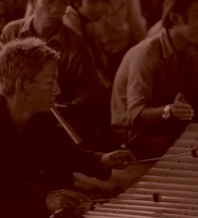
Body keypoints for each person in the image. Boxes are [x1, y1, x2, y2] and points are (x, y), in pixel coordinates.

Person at [0, 37, 135, 218]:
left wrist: (101, 160)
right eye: (50, 82)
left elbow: (63, 153)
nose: (58, 90)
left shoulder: (39, 118)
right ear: (22, 86)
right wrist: (42, 202)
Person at [1, 0, 112, 151]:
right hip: (14, 116)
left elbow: (90, 95)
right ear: (32, 0)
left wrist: (53, 107)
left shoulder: (76, 44)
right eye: (49, 1)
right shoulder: (11, 32)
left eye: (63, 2)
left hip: (54, 120)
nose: (56, 9)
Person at [111, 0, 198, 160]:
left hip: (167, 128)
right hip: (135, 136)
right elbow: (136, 115)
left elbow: (197, 98)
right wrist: (170, 111)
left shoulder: (191, 54)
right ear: (175, 17)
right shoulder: (146, 54)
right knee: (194, 151)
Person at [65, 0, 147, 83]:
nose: (100, 8)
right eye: (92, 1)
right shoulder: (69, 22)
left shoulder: (90, 21)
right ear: (77, 1)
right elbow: (86, 64)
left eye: (104, 0)